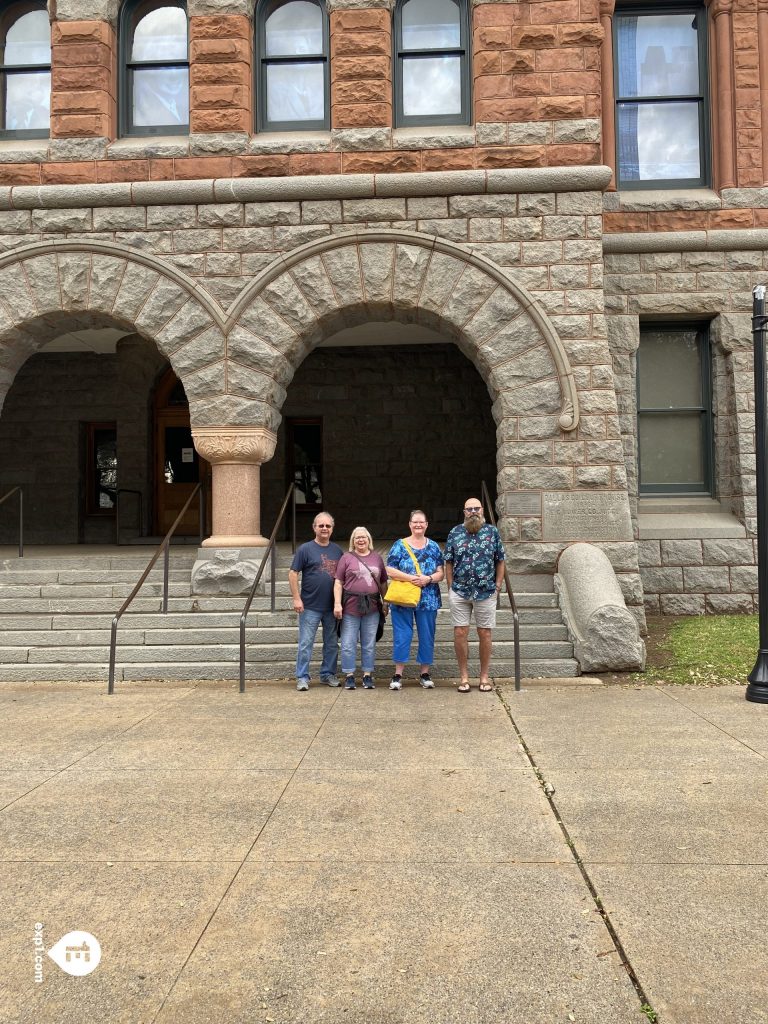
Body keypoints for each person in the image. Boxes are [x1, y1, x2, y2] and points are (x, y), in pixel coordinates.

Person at [444, 497, 506, 693]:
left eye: (476, 508)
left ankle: (484, 677)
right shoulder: (455, 532)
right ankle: (464, 677)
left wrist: (497, 586)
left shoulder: (492, 532)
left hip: (486, 591)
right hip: (460, 591)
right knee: (460, 632)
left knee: (485, 633)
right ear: (464, 512)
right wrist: (450, 587)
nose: (473, 512)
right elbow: (448, 561)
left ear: (482, 510)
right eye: (469, 509)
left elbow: (500, 560)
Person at [385, 509, 444, 690]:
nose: (418, 525)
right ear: (410, 524)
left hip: (428, 599)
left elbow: (441, 573)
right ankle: (398, 674)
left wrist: (428, 579)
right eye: (415, 522)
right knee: (402, 635)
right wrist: (411, 578)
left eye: (421, 522)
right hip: (403, 597)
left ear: (426, 525)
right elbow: (389, 570)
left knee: (427, 635)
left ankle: (424, 673)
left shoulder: (434, 547)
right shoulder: (399, 545)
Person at [288, 512, 343, 691]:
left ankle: (328, 674)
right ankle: (302, 677)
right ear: (314, 528)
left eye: (328, 526)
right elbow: (293, 573)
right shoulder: (305, 549)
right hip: (310, 606)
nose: (324, 528)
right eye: (321, 525)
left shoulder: (337, 550)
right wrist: (296, 598)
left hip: (332, 607)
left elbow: (342, 577)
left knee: (332, 644)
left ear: (332, 528)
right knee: (305, 644)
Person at [333, 527, 388, 690]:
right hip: (350, 607)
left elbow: (383, 582)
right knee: (348, 643)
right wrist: (337, 603)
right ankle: (349, 675)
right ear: (353, 541)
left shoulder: (377, 558)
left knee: (369, 643)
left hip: (372, 607)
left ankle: (367, 675)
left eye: (364, 537)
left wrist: (386, 602)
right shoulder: (346, 557)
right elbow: (338, 582)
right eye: (357, 538)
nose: (361, 540)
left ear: (369, 540)